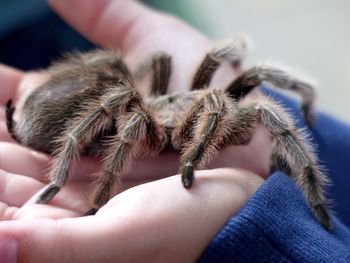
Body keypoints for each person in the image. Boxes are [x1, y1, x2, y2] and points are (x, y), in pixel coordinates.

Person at [0, 0, 349, 262]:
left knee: (260, 106)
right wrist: (190, 160)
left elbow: (220, 93)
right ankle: (61, 178)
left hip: (138, 111)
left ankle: (317, 200)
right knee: (126, 101)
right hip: (103, 121)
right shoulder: (139, 112)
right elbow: (157, 90)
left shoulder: (220, 105)